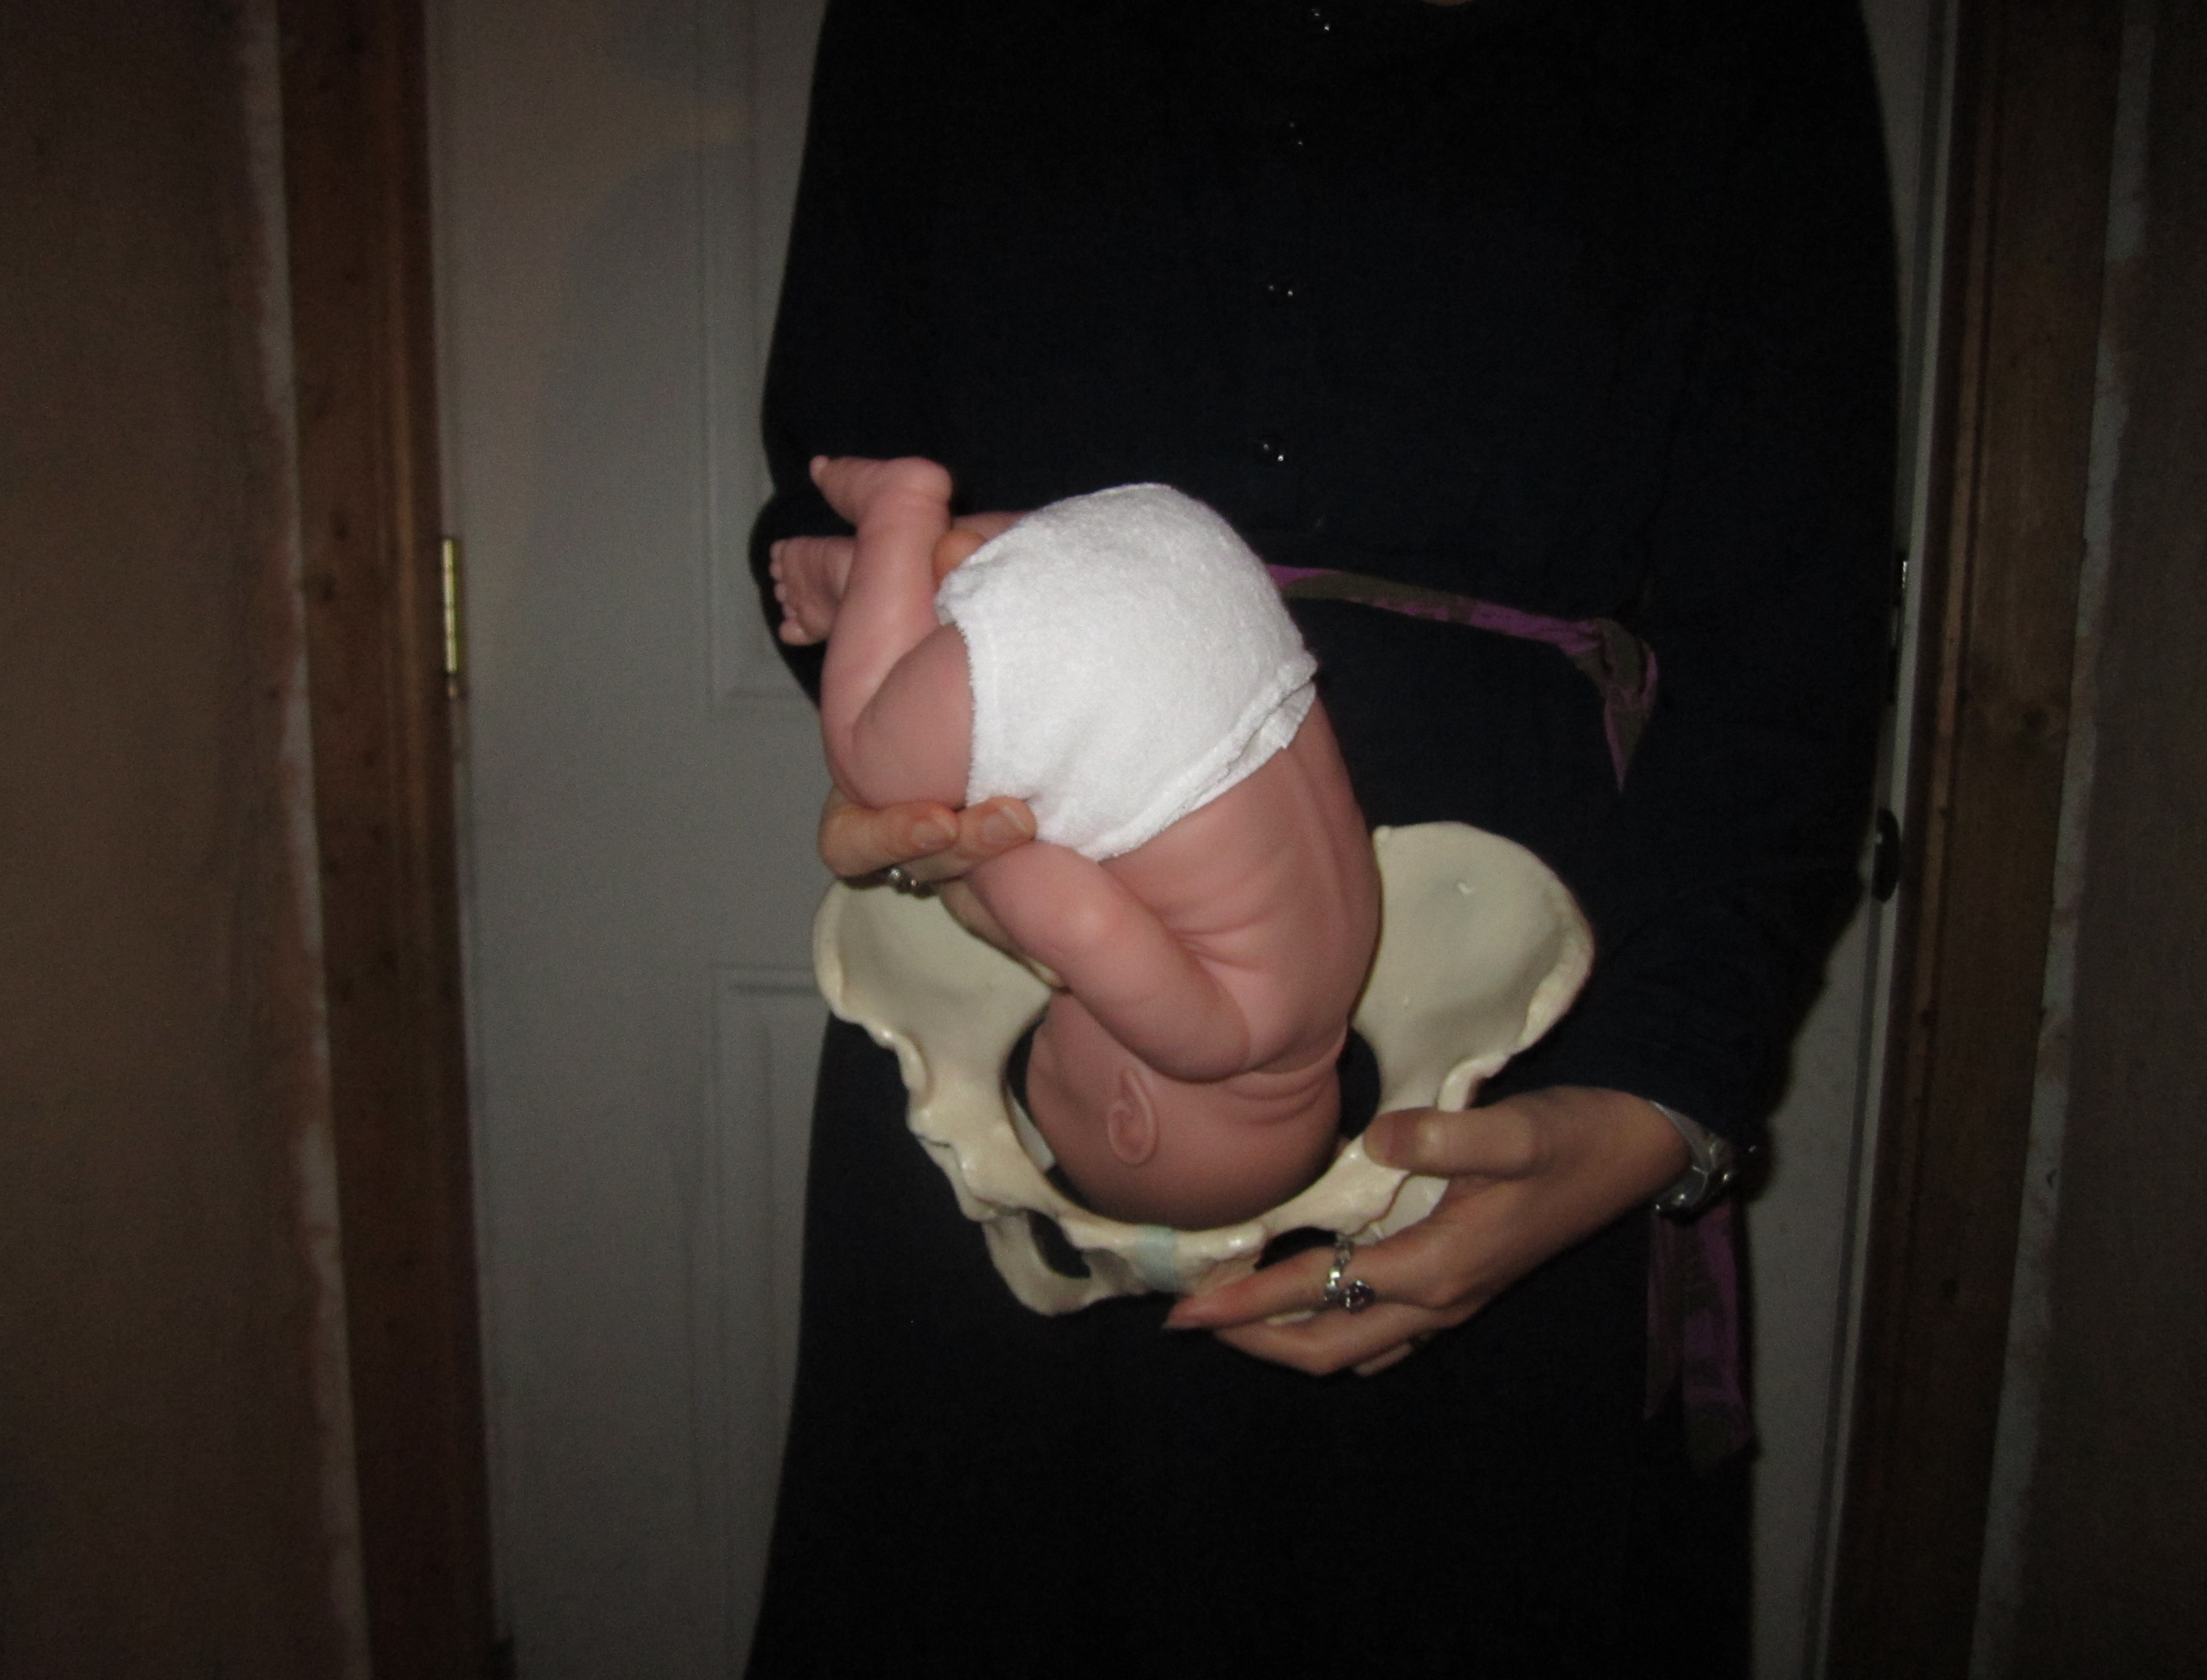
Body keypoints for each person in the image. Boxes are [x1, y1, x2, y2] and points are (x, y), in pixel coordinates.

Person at [747, 1, 1895, 1674]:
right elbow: (823, 488)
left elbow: (1794, 622)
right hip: (996, 1080)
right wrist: (908, 681)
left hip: (1524, 1096)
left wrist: (1659, 1098)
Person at [771, 455, 1380, 1227]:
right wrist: (975, 869)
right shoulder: (1217, 1042)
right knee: (877, 768)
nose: (1058, 1001)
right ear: (1130, 1121)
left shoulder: (1351, 952)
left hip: (1201, 585)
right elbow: (1074, 917)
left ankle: (889, 585)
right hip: (1095, 659)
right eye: (1051, 1053)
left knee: (1006, 610)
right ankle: (898, 516)